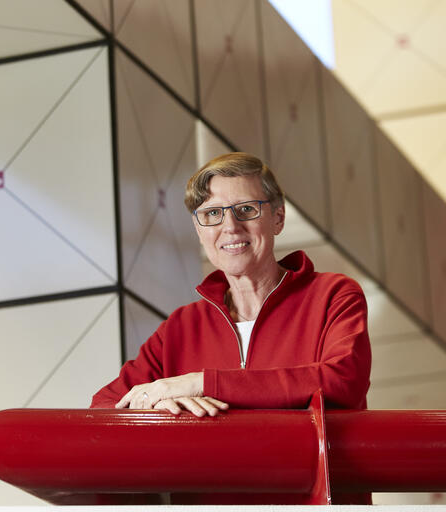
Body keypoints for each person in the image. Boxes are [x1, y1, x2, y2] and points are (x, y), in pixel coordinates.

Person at [90, 152, 372, 504]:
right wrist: (161, 405)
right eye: (212, 214)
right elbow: (103, 407)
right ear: (199, 230)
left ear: (278, 217)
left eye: (246, 209)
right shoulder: (180, 328)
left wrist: (202, 383)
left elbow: (342, 380)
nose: (230, 227)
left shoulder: (333, 295)